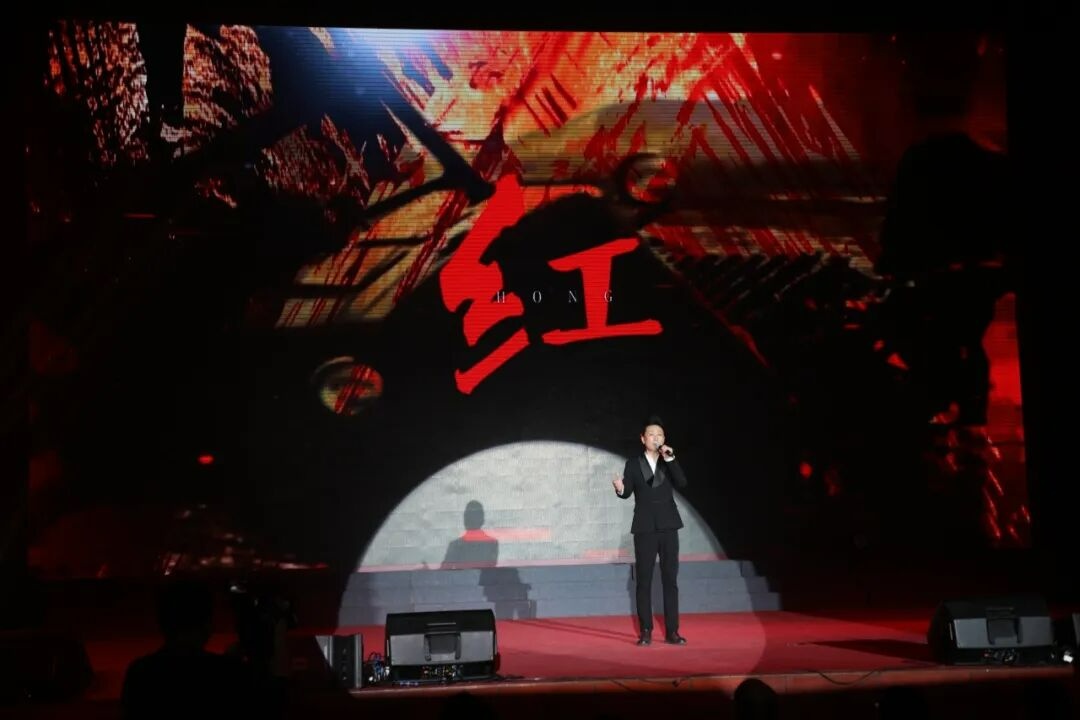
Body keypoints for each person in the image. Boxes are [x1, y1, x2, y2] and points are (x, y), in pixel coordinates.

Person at [612, 415, 688, 645]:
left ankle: (672, 632)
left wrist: (671, 459)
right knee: (644, 581)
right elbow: (627, 493)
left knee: (670, 580)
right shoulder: (633, 464)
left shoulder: (668, 461)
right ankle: (646, 630)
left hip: (668, 526)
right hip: (645, 527)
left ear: (664, 439)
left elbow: (682, 482)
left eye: (660, 435)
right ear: (643, 438)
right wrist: (620, 488)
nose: (656, 438)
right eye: (651, 434)